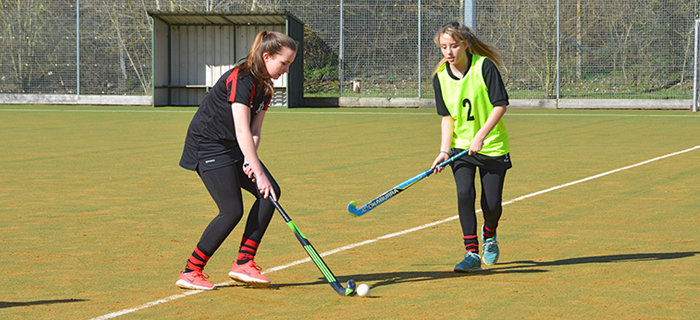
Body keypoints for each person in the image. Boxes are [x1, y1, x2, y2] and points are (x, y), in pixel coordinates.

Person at [175, 30, 298, 290]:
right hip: (207, 146)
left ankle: (244, 262)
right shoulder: (241, 79)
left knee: (270, 193)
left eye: (289, 64)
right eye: (284, 63)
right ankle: (191, 270)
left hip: (232, 146)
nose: (286, 69)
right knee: (232, 210)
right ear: (267, 57)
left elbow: (254, 131)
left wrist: (248, 159)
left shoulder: (266, 87)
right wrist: (257, 170)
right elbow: (241, 128)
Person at [430, 21, 512, 273]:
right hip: (461, 148)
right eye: (444, 47)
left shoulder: (484, 67)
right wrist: (444, 151)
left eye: (454, 46)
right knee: (465, 194)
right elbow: (447, 117)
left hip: (492, 147)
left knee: (492, 205)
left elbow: (500, 105)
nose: (449, 52)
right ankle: (471, 253)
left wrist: (481, 137)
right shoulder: (440, 78)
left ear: (465, 45)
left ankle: (490, 233)